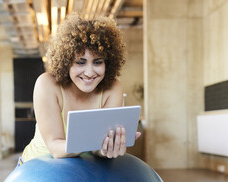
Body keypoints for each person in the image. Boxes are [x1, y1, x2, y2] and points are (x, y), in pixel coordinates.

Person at [19, 13, 140, 165]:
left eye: (97, 62)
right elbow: (56, 148)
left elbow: (97, 151)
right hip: (36, 171)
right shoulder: (46, 84)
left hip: (81, 171)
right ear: (66, 61)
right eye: (80, 62)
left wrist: (107, 148)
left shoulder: (113, 88)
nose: (89, 73)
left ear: (108, 63)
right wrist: (95, 140)